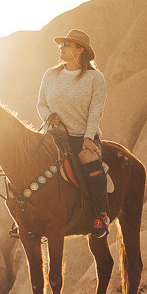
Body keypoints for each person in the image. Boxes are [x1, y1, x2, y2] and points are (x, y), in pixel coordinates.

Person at [37, 28, 111, 237]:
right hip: (55, 135)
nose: (61, 47)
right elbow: (41, 104)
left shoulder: (94, 78)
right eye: (61, 44)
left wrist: (89, 138)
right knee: (32, 161)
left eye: (66, 45)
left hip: (83, 135)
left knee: (89, 160)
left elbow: (96, 110)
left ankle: (101, 214)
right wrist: (49, 117)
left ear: (80, 50)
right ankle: (25, 218)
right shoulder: (50, 75)